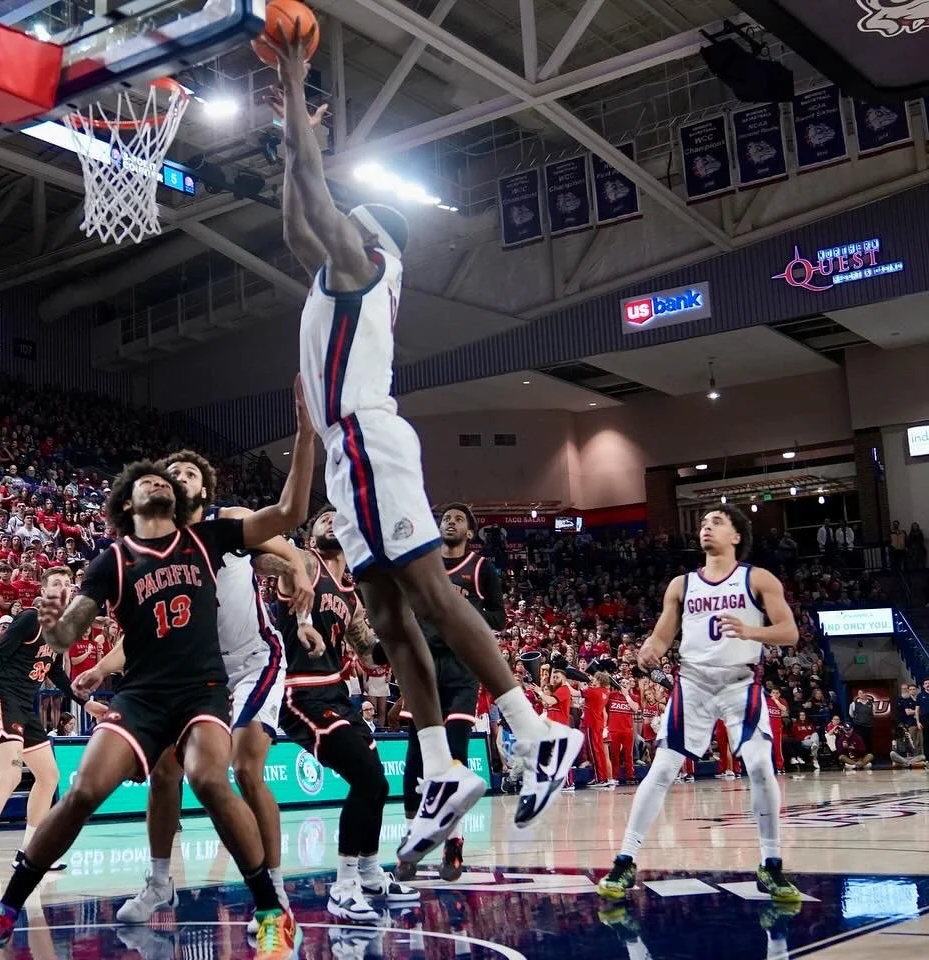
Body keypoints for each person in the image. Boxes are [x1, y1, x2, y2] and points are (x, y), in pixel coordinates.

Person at [267, 27, 580, 868]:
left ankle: (535, 728)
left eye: (341, 217)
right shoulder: (337, 277)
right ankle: (440, 767)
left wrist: (299, 97)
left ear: (369, 234)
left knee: (429, 595)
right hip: (349, 450)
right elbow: (299, 212)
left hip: (368, 436)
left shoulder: (363, 264)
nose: (321, 230)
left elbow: (310, 202)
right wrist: (300, 143)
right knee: (387, 613)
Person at [0, 459, 311, 960]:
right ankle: (7, 910)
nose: (158, 482)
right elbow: (66, 634)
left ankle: (272, 912)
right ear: (127, 502)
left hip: (201, 690)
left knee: (211, 779)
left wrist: (305, 433)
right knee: (81, 789)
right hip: (142, 696)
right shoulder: (111, 562)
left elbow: (290, 511)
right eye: (147, 479)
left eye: (166, 480)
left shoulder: (207, 538)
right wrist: (59, 622)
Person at [83, 445, 313, 924]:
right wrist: (104, 667)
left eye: (189, 471)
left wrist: (295, 568)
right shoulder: (152, 547)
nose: (179, 477)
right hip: (196, 675)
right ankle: (159, 882)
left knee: (247, 768)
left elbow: (284, 536)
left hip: (253, 661)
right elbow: (148, 633)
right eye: (171, 472)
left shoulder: (225, 519)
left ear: (203, 489)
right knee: (165, 772)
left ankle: (274, 892)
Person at [597, 505, 802, 903]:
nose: (706, 527)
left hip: (741, 682)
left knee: (760, 767)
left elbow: (790, 632)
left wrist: (750, 631)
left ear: (737, 536)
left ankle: (772, 863)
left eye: (717, 522)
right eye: (704, 522)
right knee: (661, 770)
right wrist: (650, 650)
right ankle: (624, 860)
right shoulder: (681, 585)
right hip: (691, 682)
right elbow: (661, 635)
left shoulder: (757, 579)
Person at [276, 508, 419, 921]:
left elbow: (370, 654)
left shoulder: (351, 596)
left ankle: (371, 872)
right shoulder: (303, 563)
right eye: (323, 519)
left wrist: (400, 631)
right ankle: (343, 884)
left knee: (378, 784)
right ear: (311, 534)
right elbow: (269, 554)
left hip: (338, 697)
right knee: (366, 778)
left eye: (339, 519)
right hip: (302, 694)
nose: (331, 522)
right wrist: (281, 556)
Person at [0, 566, 103, 881]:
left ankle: (29, 853)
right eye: (55, 583)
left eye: (67, 583)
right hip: (4, 700)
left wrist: (86, 702)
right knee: (8, 774)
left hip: (26, 706)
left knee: (49, 776)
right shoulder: (31, 619)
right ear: (45, 591)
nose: (63, 587)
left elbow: (56, 674)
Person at [397, 503, 504, 881]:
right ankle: (411, 842)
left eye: (459, 519)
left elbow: (498, 619)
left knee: (454, 758)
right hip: (423, 668)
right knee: (415, 759)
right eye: (446, 518)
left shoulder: (480, 569)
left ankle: (453, 846)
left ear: (470, 533)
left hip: (460, 669)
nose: (450, 522)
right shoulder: (423, 566)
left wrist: (462, 607)